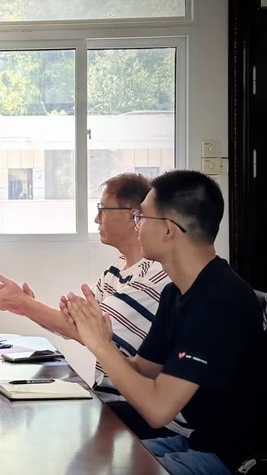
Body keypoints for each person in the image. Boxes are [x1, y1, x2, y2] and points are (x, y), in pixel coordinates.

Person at [67, 170, 265, 474]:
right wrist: (102, 341)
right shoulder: (176, 292)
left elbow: (157, 411)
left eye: (141, 217)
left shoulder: (219, 299)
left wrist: (100, 346)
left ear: (168, 229)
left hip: (230, 459)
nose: (137, 225)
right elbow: (142, 372)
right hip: (197, 442)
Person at [0, 173, 187, 439]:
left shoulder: (154, 275)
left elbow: (89, 331)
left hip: (133, 409)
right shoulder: (117, 268)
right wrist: (26, 305)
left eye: (102, 210)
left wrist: (25, 304)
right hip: (112, 399)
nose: (97, 219)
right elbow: (77, 325)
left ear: (132, 215)